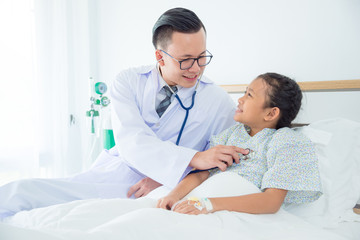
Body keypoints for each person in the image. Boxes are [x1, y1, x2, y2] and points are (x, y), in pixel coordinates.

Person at [0, 7, 244, 220]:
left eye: (202, 57)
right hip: (115, 171)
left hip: (161, 187)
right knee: (20, 191)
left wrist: (169, 177)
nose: (196, 69)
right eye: (186, 60)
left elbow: (226, 160)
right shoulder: (128, 81)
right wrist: (193, 158)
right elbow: (132, 140)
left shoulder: (219, 102)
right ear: (160, 56)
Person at [157, 72, 323, 215]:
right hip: (199, 200)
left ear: (271, 113)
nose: (240, 99)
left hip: (226, 208)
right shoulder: (230, 134)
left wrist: (208, 204)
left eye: (249, 95)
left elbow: (271, 202)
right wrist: (174, 195)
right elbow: (201, 173)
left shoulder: (287, 142)